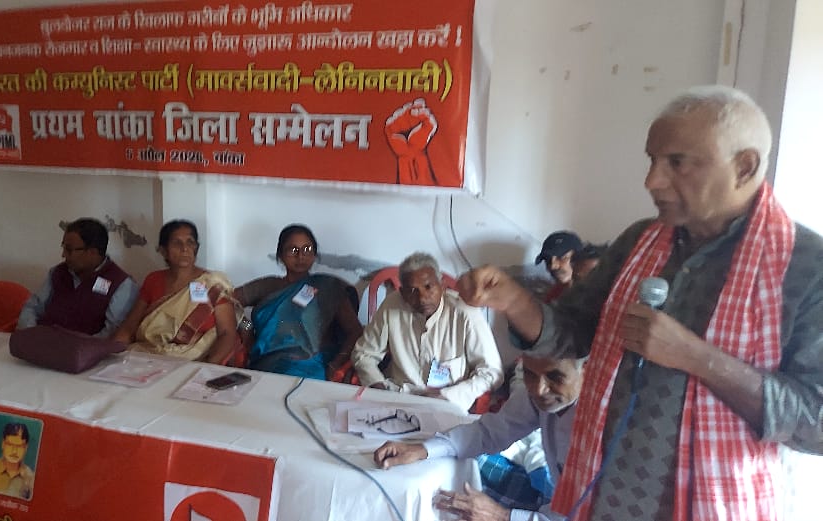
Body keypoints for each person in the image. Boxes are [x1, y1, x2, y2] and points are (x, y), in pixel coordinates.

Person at [457, 86, 823, 520]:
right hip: (602, 495)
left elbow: (816, 423)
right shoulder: (640, 241)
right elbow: (573, 333)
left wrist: (697, 358)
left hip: (717, 505)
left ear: (744, 166)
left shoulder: (805, 268)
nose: (652, 181)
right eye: (652, 160)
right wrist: (515, 301)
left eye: (677, 163)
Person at [375, 356, 584, 521]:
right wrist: (423, 449)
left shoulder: (597, 433)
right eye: (529, 374)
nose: (539, 389)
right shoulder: (537, 395)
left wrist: (501, 516)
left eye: (555, 377)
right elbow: (491, 431)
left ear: (587, 369)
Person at [351, 252, 502, 411]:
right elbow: (364, 353)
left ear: (442, 285)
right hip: (398, 397)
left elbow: (492, 372)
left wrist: (448, 395)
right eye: (412, 290)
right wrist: (377, 385)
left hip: (447, 403)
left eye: (428, 287)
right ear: (402, 293)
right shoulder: (391, 307)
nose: (422, 298)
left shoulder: (465, 313)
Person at [233, 224, 363, 380]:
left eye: (307, 249)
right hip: (267, 364)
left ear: (314, 254)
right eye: (292, 250)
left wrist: (336, 363)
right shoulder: (267, 286)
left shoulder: (328, 287)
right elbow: (228, 301)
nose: (300, 256)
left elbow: (355, 330)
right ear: (281, 255)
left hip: (313, 366)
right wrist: (247, 328)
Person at [112, 220, 239, 363]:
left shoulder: (212, 283)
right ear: (163, 250)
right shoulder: (153, 280)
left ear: (196, 248)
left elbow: (227, 333)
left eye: (190, 242)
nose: (184, 248)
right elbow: (129, 326)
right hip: (149, 356)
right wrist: (111, 354)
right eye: (177, 243)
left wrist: (208, 367)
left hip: (196, 361)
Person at [17, 218, 138, 336]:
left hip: (84, 348)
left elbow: (111, 334)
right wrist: (31, 334)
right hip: (42, 341)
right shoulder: (58, 272)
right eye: (63, 247)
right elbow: (32, 307)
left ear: (92, 252)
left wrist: (75, 346)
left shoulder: (121, 285)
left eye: (69, 250)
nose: (63, 254)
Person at [0, 422, 35, 500]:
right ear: (3, 444)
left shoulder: (31, 478)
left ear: (26, 448)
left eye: (20, 446)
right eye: (10, 444)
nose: (14, 451)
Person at [535, 231, 583, 303]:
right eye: (548, 260)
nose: (553, 266)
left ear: (578, 258)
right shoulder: (556, 292)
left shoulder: (596, 296)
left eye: (561, 258)